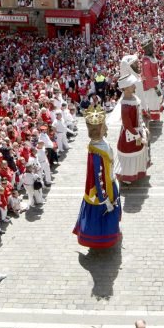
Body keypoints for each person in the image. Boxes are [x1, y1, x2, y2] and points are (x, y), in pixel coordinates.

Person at [73, 106, 122, 248]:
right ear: (100, 129)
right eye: (104, 126)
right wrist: (105, 199)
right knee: (103, 214)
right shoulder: (97, 151)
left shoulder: (99, 145)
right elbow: (98, 177)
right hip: (103, 189)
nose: (106, 128)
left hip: (111, 180)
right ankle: (102, 239)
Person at [114, 54, 149, 183]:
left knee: (138, 151)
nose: (135, 87)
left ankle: (134, 173)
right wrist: (138, 136)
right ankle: (128, 176)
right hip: (131, 134)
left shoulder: (134, 99)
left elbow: (138, 117)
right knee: (131, 153)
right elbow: (127, 125)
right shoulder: (125, 105)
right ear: (127, 89)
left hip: (137, 130)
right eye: (132, 86)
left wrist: (143, 128)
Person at [140, 36, 162, 121]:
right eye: (151, 47)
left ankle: (154, 117)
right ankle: (150, 117)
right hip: (151, 86)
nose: (153, 48)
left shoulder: (151, 57)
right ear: (147, 49)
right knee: (151, 101)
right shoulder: (146, 60)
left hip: (155, 82)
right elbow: (148, 76)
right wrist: (155, 87)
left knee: (155, 102)